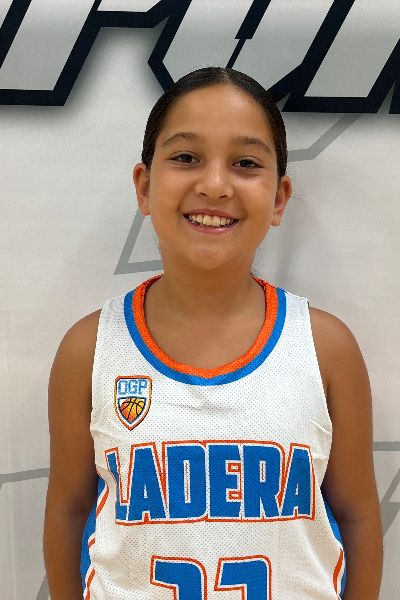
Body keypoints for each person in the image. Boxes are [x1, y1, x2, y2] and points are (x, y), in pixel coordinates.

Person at [43, 67, 383, 600]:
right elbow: (67, 511)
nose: (215, 185)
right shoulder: (90, 349)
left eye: (246, 163)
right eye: (186, 157)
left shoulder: (325, 348)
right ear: (145, 186)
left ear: (279, 197)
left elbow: (358, 517)